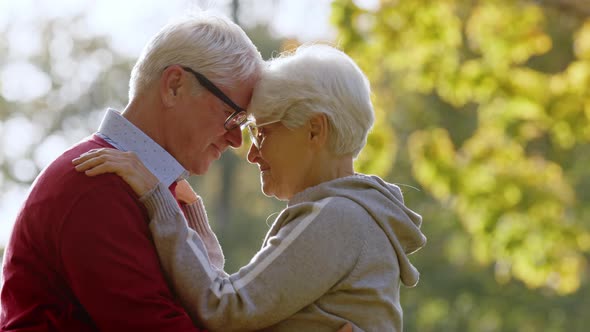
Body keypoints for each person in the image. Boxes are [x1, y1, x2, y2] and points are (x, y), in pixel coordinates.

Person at [73, 44, 427, 331]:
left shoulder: (336, 218)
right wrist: (194, 222)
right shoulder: (352, 216)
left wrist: (158, 200)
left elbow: (224, 308)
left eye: (262, 133)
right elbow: (246, 301)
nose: (252, 153)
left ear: (315, 131)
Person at [0, 12, 263, 331]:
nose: (237, 139)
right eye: (231, 116)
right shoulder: (96, 184)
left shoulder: (148, 189)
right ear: (175, 85)